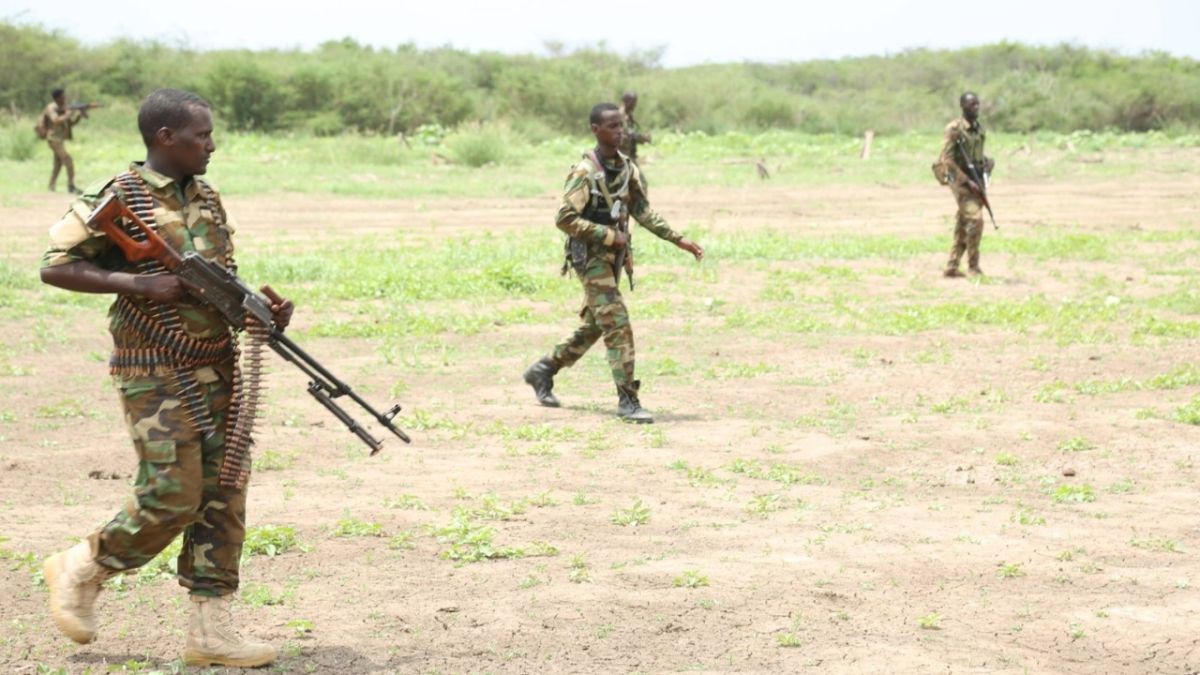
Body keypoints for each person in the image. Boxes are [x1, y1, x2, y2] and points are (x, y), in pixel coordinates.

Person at [39, 88, 292, 668]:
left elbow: (219, 278)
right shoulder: (119, 195)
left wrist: (260, 311)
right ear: (165, 138)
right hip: (153, 368)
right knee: (173, 494)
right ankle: (83, 567)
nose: (211, 145)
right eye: (202, 135)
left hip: (216, 363)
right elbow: (55, 267)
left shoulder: (207, 197)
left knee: (224, 492)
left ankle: (210, 631)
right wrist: (137, 284)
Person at [523, 102, 704, 424]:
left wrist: (677, 239)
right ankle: (628, 400)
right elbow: (564, 218)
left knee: (598, 323)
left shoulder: (627, 169)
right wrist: (608, 236)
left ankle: (544, 369)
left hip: (613, 259)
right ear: (596, 130)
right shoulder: (585, 172)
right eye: (612, 126)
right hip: (589, 257)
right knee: (617, 323)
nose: (620, 131)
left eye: (621, 126)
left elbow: (642, 211)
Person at [935, 91, 994, 277]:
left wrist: (987, 163)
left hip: (976, 179)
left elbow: (976, 154)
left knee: (964, 222)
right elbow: (947, 160)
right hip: (959, 180)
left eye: (977, 104)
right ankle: (973, 266)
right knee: (975, 219)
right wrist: (967, 181)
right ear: (962, 106)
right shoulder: (954, 129)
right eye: (972, 104)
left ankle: (952, 266)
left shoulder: (979, 129)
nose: (976, 107)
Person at [41, 87, 93, 195]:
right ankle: (71, 186)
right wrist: (68, 113)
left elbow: (70, 123)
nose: (65, 98)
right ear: (57, 98)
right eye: (63, 96)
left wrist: (79, 115)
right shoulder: (51, 107)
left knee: (58, 163)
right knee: (68, 161)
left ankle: (51, 185)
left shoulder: (63, 108)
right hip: (53, 139)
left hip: (59, 139)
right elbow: (55, 120)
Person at [619, 92, 652, 164]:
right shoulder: (620, 115)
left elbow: (633, 131)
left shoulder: (629, 115)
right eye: (634, 102)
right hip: (622, 153)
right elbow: (626, 134)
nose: (635, 105)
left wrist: (643, 137)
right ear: (627, 102)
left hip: (629, 152)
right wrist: (641, 138)